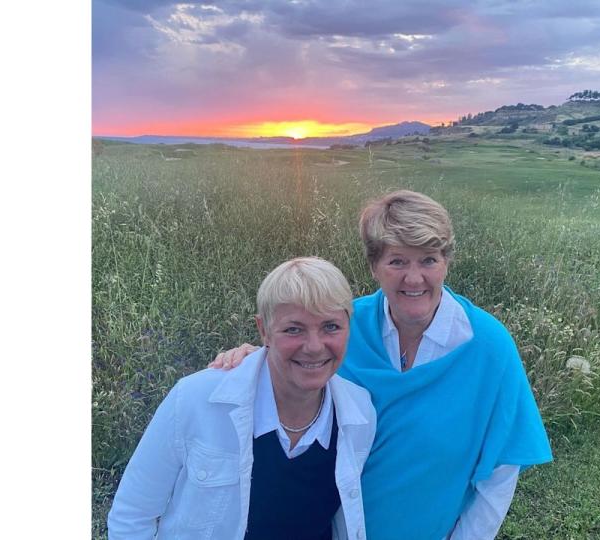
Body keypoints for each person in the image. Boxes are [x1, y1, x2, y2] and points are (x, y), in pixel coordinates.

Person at [213, 190, 553, 539]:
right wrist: (252, 359)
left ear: (447, 262)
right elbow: (297, 356)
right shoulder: (344, 328)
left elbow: (500, 472)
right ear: (374, 266)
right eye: (397, 261)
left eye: (428, 260)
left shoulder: (488, 347)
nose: (414, 278)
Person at [108, 257, 377, 540]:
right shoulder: (196, 399)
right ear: (264, 330)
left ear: (349, 325)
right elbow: (132, 515)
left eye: (331, 327)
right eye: (293, 329)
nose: (313, 346)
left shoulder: (359, 413)